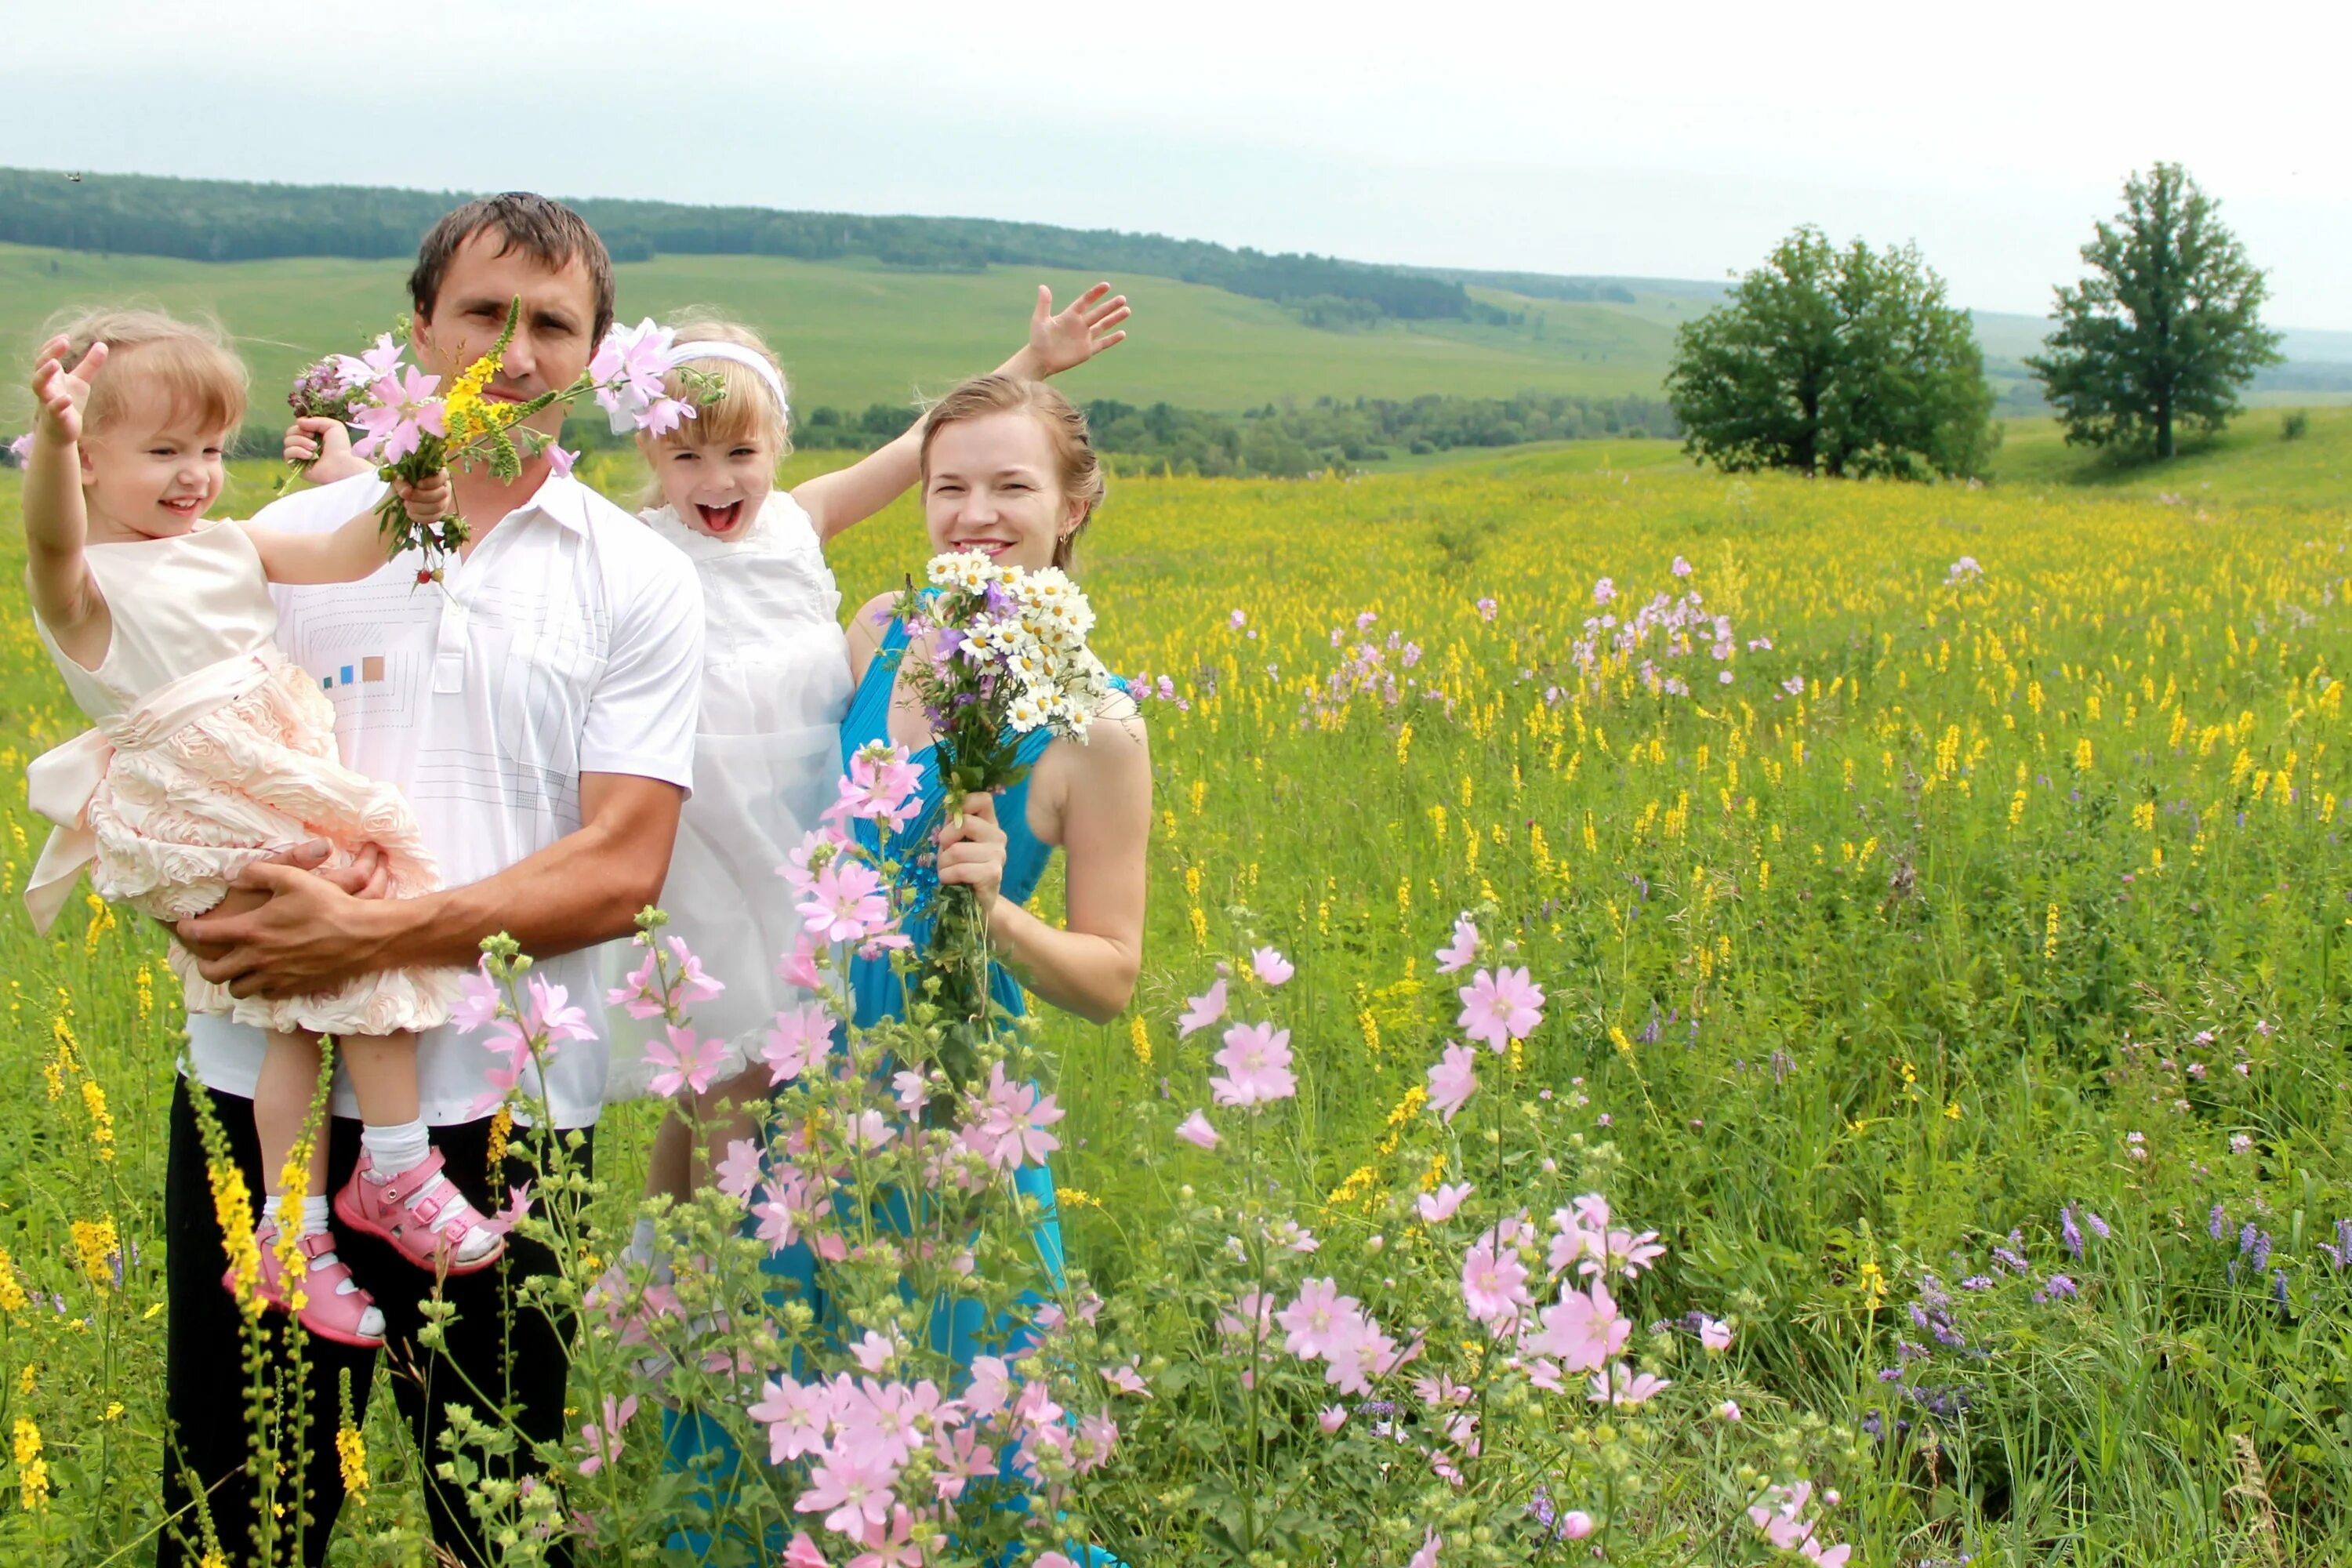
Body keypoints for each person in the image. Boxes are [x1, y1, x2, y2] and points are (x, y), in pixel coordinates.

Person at [158, 193, 704, 1568]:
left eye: (552, 324)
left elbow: (625, 864)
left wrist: (369, 933)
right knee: (245, 1513)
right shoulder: (290, 540)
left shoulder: (636, 577)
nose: (515, 353)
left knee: (503, 1522)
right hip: (262, 1100)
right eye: (483, 313)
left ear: (594, 352)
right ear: (420, 326)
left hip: (504, 1110)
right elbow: (170, 761)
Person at [666, 375, 1152, 1550]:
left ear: (1073, 505)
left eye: (1012, 487)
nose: (976, 513)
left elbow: (1110, 977)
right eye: (950, 488)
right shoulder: (882, 629)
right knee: (765, 1398)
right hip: (805, 1062)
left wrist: (998, 914)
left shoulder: (1099, 728)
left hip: (949, 1097)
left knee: (954, 1402)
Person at [18, 309, 504, 1356]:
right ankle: (380, 1170)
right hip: (206, 805)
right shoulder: (88, 589)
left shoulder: (230, 546)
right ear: (89, 459)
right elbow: (52, 538)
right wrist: (50, 449)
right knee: (333, 952)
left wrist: (407, 489)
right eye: (161, 451)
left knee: (313, 994)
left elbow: (340, 548)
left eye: (210, 448)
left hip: (279, 780)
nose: (195, 475)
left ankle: (316, 1213)